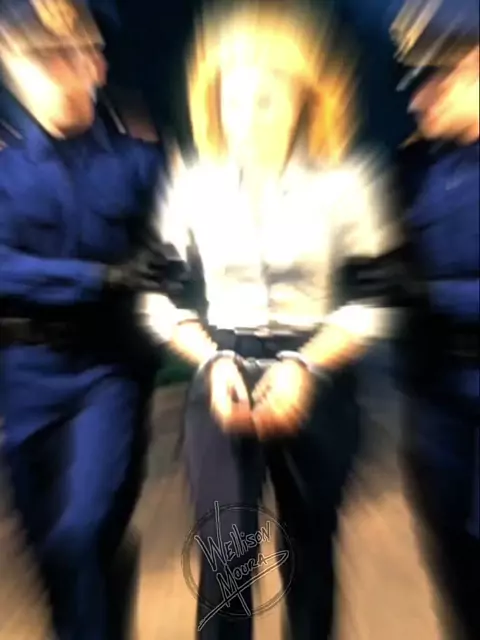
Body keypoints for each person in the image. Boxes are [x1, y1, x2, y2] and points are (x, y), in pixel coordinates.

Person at [139, 2, 399, 638]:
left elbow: (375, 299)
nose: (246, 117)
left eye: (266, 99)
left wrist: (305, 366)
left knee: (310, 547)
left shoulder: (345, 185)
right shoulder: (193, 184)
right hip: (222, 371)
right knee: (227, 552)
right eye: (232, 98)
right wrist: (211, 359)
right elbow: (160, 296)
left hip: (317, 372)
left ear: (305, 99)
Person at [0, 1, 167, 638]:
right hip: (25, 377)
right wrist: (98, 279)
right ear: (10, 65)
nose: (53, 70)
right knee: (48, 548)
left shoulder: (140, 164)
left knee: (82, 531)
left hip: (108, 373)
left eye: (69, 53)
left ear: (96, 63)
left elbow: (177, 253)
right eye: (35, 57)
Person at [389, 1, 479, 637]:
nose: (420, 97)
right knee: (451, 550)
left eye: (438, 78)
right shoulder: (412, 169)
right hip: (434, 398)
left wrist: (431, 295)